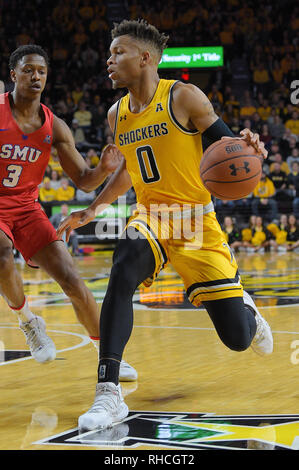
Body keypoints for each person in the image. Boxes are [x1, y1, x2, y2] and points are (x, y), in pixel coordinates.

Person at [58, 19, 273, 431]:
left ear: (145, 57)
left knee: (238, 338)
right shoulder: (115, 113)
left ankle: (248, 309)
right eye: (109, 52)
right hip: (152, 216)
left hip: (196, 220)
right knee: (122, 267)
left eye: (117, 52)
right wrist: (95, 208)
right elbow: (131, 171)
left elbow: (226, 148)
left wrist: (249, 147)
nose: (109, 59)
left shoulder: (184, 96)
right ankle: (108, 393)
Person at [0, 44, 137, 381]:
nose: (36, 76)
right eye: (29, 69)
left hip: (28, 209)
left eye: (42, 71)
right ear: (13, 74)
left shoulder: (54, 127)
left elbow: (85, 181)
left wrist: (104, 169)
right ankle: (29, 322)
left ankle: (109, 357)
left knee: (74, 282)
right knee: (2, 257)